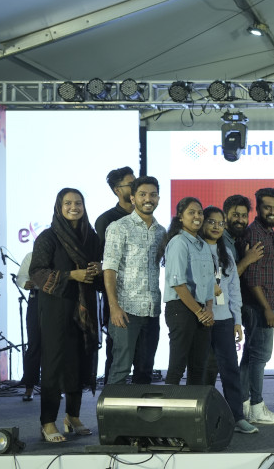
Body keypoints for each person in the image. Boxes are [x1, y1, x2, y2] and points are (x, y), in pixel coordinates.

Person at [29, 189, 102, 442]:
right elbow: (37, 273)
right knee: (54, 362)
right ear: (59, 206)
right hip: (56, 308)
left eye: (78, 203)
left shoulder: (91, 237)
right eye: (68, 203)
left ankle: (73, 416)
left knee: (81, 358)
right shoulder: (48, 237)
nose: (74, 207)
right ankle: (48, 421)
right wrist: (72, 275)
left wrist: (98, 268)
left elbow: (100, 270)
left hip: (85, 308)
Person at [102, 176, 166, 387]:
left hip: (152, 310)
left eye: (153, 195)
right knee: (120, 369)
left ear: (158, 198)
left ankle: (139, 410)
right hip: (125, 311)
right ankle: (111, 410)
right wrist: (114, 307)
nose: (148, 199)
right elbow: (109, 269)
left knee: (145, 371)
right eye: (142, 194)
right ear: (132, 198)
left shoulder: (161, 231)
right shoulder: (119, 227)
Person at [199, 206, 257, 434]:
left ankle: (237, 417)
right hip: (201, 319)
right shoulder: (195, 249)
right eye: (211, 222)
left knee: (231, 369)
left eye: (220, 223)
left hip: (224, 320)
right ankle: (201, 417)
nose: (216, 226)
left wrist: (237, 321)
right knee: (204, 371)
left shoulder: (227, 254)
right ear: (202, 223)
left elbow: (234, 290)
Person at [237, 188, 274, 424]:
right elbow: (252, 277)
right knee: (260, 357)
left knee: (250, 356)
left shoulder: (267, 232)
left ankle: (244, 403)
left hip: (258, 305)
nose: (272, 212)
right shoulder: (255, 233)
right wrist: (267, 308)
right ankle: (257, 406)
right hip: (258, 306)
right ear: (258, 208)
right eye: (267, 207)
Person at [161, 197, 214, 386]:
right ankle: (170, 404)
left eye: (200, 212)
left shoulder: (203, 245)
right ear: (180, 217)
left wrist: (208, 309)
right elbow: (178, 284)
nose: (197, 216)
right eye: (191, 212)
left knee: (199, 367)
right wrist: (199, 312)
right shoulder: (178, 242)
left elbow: (210, 283)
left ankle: (193, 405)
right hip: (181, 308)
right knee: (177, 366)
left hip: (202, 310)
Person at [94, 166, 137, 382]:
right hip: (117, 296)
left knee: (141, 357)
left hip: (142, 297)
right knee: (117, 353)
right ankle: (111, 398)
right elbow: (103, 262)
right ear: (117, 190)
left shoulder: (146, 216)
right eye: (131, 184)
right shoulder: (107, 220)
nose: (136, 187)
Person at [15, 251, 41, 401]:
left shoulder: (60, 253)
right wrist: (26, 283)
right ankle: (29, 388)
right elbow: (22, 276)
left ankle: (55, 387)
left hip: (57, 300)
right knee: (34, 344)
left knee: (55, 347)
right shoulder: (32, 255)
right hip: (36, 298)